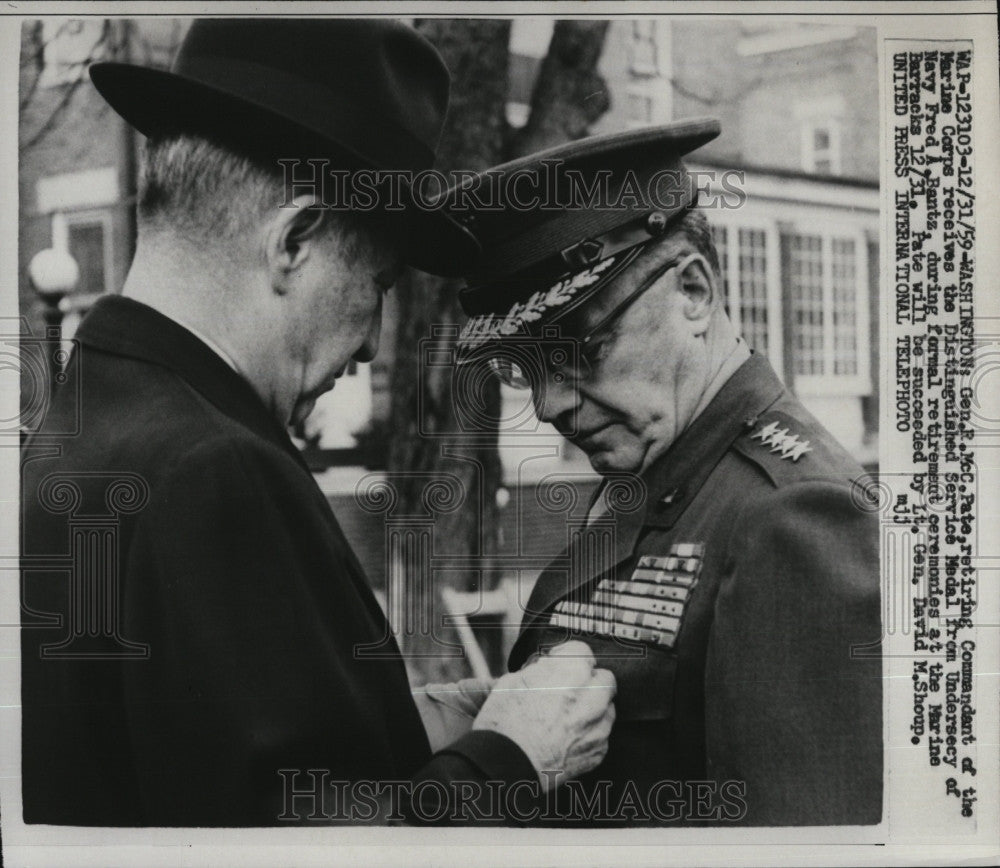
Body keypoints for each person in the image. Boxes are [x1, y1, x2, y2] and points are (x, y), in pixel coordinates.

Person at [20, 19, 616, 827]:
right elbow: (307, 849)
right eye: (377, 283)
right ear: (294, 240)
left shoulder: (86, 422)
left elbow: (206, 763)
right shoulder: (217, 468)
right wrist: (513, 758)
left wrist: (412, 723)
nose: (373, 341)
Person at [444, 120, 883, 825]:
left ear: (695, 292)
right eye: (523, 367)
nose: (551, 402)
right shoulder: (658, 473)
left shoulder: (798, 520)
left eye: (581, 349)